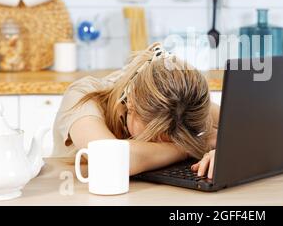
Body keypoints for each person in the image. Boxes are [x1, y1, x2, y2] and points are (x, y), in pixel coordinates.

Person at [52, 43, 220, 179]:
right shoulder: (83, 95)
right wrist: (190, 146)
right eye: (153, 138)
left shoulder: (181, 103)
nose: (160, 146)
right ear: (130, 102)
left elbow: (244, 128)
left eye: (173, 139)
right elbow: (111, 160)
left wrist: (221, 152)